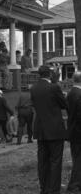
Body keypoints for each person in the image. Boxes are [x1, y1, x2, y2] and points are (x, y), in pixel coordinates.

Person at [30, 65, 67, 194]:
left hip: (40, 129)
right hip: (55, 129)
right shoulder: (54, 87)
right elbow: (64, 104)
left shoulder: (33, 89)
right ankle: (53, 189)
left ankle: (44, 188)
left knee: (42, 161)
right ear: (49, 75)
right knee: (55, 160)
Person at [66, 71, 81, 193]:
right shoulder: (79, 94)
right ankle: (74, 184)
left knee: (76, 157)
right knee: (78, 159)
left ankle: (77, 183)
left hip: (72, 130)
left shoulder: (70, 93)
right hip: (78, 131)